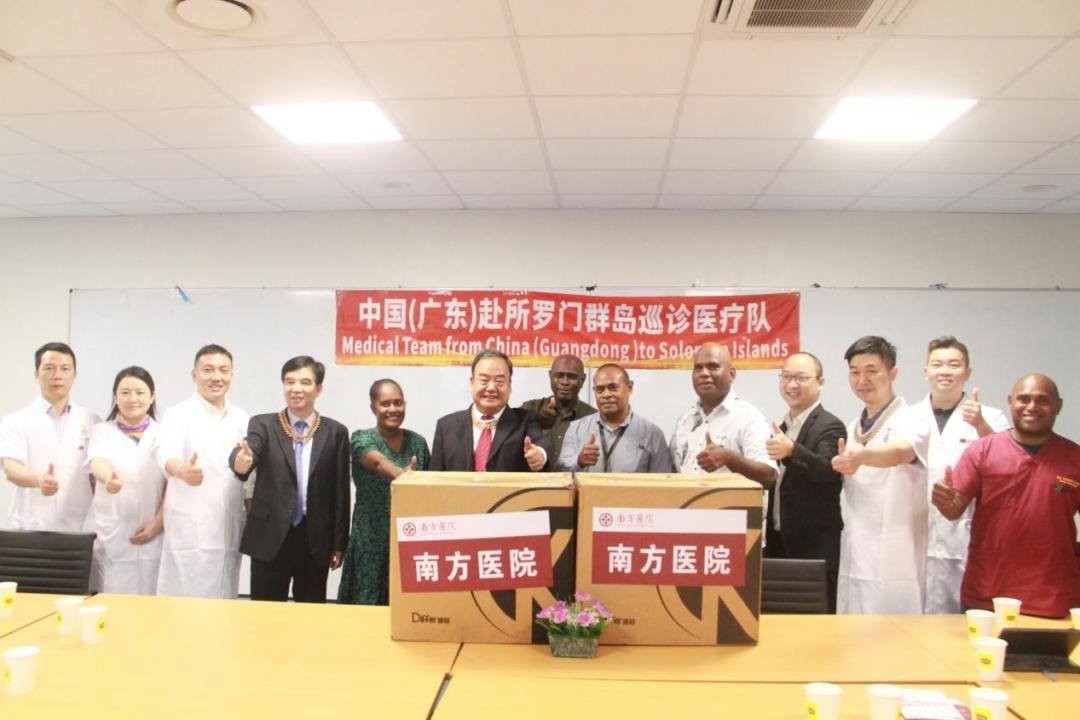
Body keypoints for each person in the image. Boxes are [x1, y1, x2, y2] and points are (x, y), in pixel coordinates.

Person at [932, 374, 1080, 618]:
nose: (1032, 407)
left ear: (1058, 406)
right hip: (987, 596)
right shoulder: (982, 450)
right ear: (1011, 402)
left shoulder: (1074, 457)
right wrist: (943, 500)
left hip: (1055, 597)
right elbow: (953, 510)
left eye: (1042, 400)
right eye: (1024, 399)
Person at [230, 356, 350, 603]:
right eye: (289, 381)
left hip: (314, 538)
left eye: (305, 382)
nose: (296, 389)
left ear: (319, 388)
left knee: (310, 612)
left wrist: (339, 543)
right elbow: (249, 451)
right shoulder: (263, 424)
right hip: (270, 537)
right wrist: (240, 461)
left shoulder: (335, 432)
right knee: (265, 612)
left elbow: (340, 491)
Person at [831, 336, 929, 615]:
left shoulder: (911, 418)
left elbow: (901, 451)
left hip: (897, 544)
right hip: (858, 542)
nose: (862, 380)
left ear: (893, 373)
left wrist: (862, 457)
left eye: (872, 371)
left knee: (894, 621)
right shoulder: (854, 425)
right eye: (855, 372)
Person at [912, 337, 1009, 614]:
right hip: (916, 530)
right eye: (937, 364)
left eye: (954, 365)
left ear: (967, 372)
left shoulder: (992, 417)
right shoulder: (908, 416)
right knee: (910, 616)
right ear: (926, 371)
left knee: (962, 616)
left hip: (964, 533)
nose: (945, 371)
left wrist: (980, 425)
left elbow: (1007, 464)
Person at [156, 344, 250, 599]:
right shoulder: (178, 414)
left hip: (227, 522)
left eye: (223, 370)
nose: (216, 377)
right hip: (189, 524)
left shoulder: (241, 418)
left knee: (224, 593)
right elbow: (165, 453)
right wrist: (182, 471)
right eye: (208, 370)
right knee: (185, 596)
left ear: (232, 375)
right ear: (194, 374)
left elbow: (247, 472)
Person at [764, 352, 847, 612]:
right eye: (786, 377)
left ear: (820, 382)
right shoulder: (783, 426)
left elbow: (828, 470)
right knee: (778, 621)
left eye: (800, 378)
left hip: (814, 547)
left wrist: (792, 451)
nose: (792, 384)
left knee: (816, 625)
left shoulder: (830, 426)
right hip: (779, 541)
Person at [338, 379, 430, 605]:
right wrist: (403, 475)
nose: (393, 409)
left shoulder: (418, 443)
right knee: (365, 606)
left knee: (406, 606)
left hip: (409, 539)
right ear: (373, 408)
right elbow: (378, 462)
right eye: (385, 403)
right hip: (369, 539)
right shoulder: (362, 438)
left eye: (398, 403)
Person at [1, 342, 99, 532]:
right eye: (49, 368)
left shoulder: (92, 421)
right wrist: (38, 481)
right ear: (36, 374)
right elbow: (11, 469)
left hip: (78, 528)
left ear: (75, 375)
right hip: (29, 526)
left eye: (65, 369)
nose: (57, 375)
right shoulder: (15, 421)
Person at [86, 366, 167, 595]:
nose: (133, 399)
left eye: (140, 393)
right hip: (113, 532)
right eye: (125, 393)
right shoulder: (102, 431)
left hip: (153, 530)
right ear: (115, 397)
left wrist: (157, 523)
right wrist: (108, 478)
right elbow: (97, 461)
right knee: (111, 597)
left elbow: (171, 484)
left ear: (152, 396)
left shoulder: (163, 433)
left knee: (151, 600)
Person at [669, 342, 777, 488]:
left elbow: (769, 477)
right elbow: (674, 472)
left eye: (713, 367)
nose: (704, 373)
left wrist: (729, 458)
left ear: (731, 374)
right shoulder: (685, 420)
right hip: (687, 502)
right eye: (698, 368)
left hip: (734, 503)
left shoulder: (749, 417)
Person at [429, 349, 552, 472]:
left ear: (509, 385)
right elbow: (434, 479)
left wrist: (540, 454)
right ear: (472, 383)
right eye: (484, 380)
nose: (491, 388)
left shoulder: (526, 421)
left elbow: (541, 442)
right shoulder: (446, 427)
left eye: (499, 381)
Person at [557, 363, 672, 473]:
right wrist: (579, 461)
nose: (606, 395)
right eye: (600, 389)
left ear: (629, 387)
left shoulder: (652, 435)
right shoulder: (576, 429)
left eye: (613, 388)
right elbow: (560, 471)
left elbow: (664, 481)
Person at [520, 354, 596, 461]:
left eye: (572, 377)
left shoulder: (593, 418)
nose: (565, 382)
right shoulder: (530, 408)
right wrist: (536, 421)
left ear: (583, 380)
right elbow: (506, 433)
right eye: (559, 376)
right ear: (550, 376)